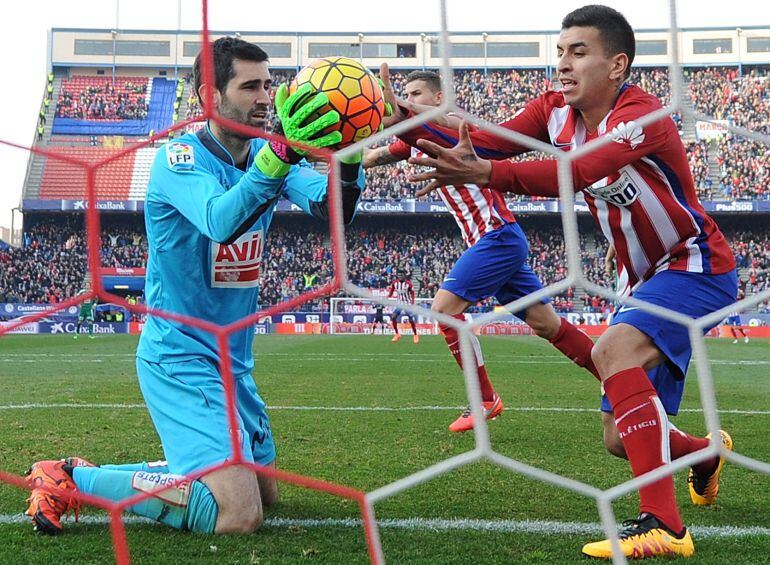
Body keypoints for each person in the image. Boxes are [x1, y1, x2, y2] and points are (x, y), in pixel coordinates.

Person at [394, 5, 738, 559]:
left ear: (617, 65)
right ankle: (701, 453)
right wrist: (395, 114)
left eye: (579, 52)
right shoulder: (553, 112)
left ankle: (664, 525)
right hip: (643, 278)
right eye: (560, 52)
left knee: (614, 350)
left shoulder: (642, 115)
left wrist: (484, 172)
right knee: (618, 441)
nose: (563, 64)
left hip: (695, 264)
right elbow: (490, 139)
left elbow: (573, 173)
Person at [25, 37, 364, 537]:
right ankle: (72, 479)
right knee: (238, 514)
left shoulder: (264, 156)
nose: (266, 98)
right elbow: (219, 220)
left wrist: (349, 156)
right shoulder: (178, 158)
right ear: (211, 96)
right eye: (250, 86)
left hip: (234, 359)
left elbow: (333, 210)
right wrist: (279, 158)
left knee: (266, 494)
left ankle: (162, 473)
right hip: (180, 354)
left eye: (268, 85)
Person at [367, 70, 600, 433]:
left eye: (416, 94)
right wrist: (338, 150)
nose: (409, 99)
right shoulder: (415, 138)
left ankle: (486, 400)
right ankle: (616, 380)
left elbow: (448, 120)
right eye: (406, 93)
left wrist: (400, 105)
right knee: (547, 324)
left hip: (497, 236)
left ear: (438, 97)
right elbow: (375, 156)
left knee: (443, 310)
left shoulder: (457, 124)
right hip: (494, 241)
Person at [387, 270, 419, 343]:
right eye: (398, 275)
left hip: (407, 303)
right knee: (393, 317)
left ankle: (415, 334)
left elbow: (412, 293)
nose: (400, 277)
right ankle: (397, 334)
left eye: (401, 275)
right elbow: (391, 291)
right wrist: (388, 296)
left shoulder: (408, 284)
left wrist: (412, 302)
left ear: (404, 275)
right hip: (399, 303)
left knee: (411, 319)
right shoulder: (395, 283)